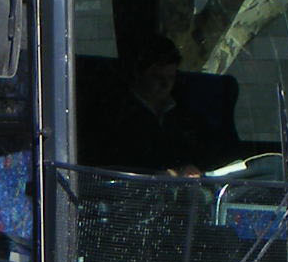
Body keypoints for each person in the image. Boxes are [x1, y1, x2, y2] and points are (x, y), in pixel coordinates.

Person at [95, 37, 225, 174]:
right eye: (157, 77)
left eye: (171, 77)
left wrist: (190, 168)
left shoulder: (185, 115)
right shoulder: (116, 115)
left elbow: (205, 155)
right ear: (138, 74)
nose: (165, 85)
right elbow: (114, 165)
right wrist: (162, 174)